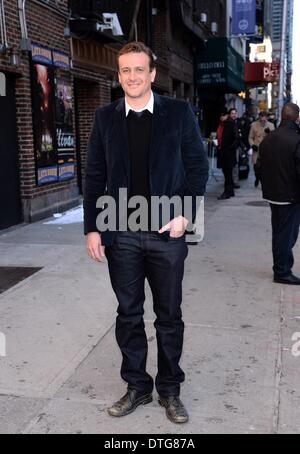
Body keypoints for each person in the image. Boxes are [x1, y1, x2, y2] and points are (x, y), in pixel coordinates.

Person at [84, 42, 209, 423]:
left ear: (152, 74)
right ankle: (137, 386)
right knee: (128, 314)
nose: (133, 77)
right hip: (120, 233)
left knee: (169, 315)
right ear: (118, 76)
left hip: (165, 233)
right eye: (126, 71)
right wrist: (92, 228)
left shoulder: (177, 113)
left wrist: (184, 216)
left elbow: (197, 167)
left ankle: (169, 390)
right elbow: (94, 175)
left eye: (140, 70)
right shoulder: (105, 118)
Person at [258, 103, 300, 285]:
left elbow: (259, 167)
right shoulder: (296, 139)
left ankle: (280, 269)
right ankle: (282, 271)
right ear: (296, 118)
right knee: (286, 235)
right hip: (289, 195)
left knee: (279, 233)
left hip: (273, 194)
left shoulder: (268, 138)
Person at [218, 108, 240, 200]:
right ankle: (230, 192)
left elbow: (237, 139)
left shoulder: (229, 123)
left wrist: (229, 148)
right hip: (225, 153)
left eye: (222, 116)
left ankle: (227, 192)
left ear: (225, 115)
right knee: (228, 174)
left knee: (227, 174)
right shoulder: (225, 124)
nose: (221, 118)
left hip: (227, 154)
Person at [249, 111, 275, 187]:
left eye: (265, 118)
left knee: (265, 168)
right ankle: (257, 178)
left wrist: (269, 132)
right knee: (256, 168)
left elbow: (274, 138)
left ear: (267, 117)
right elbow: (250, 137)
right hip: (256, 149)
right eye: (262, 117)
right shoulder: (254, 125)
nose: (263, 119)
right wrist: (252, 145)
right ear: (259, 117)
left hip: (266, 150)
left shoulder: (271, 125)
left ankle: (263, 182)